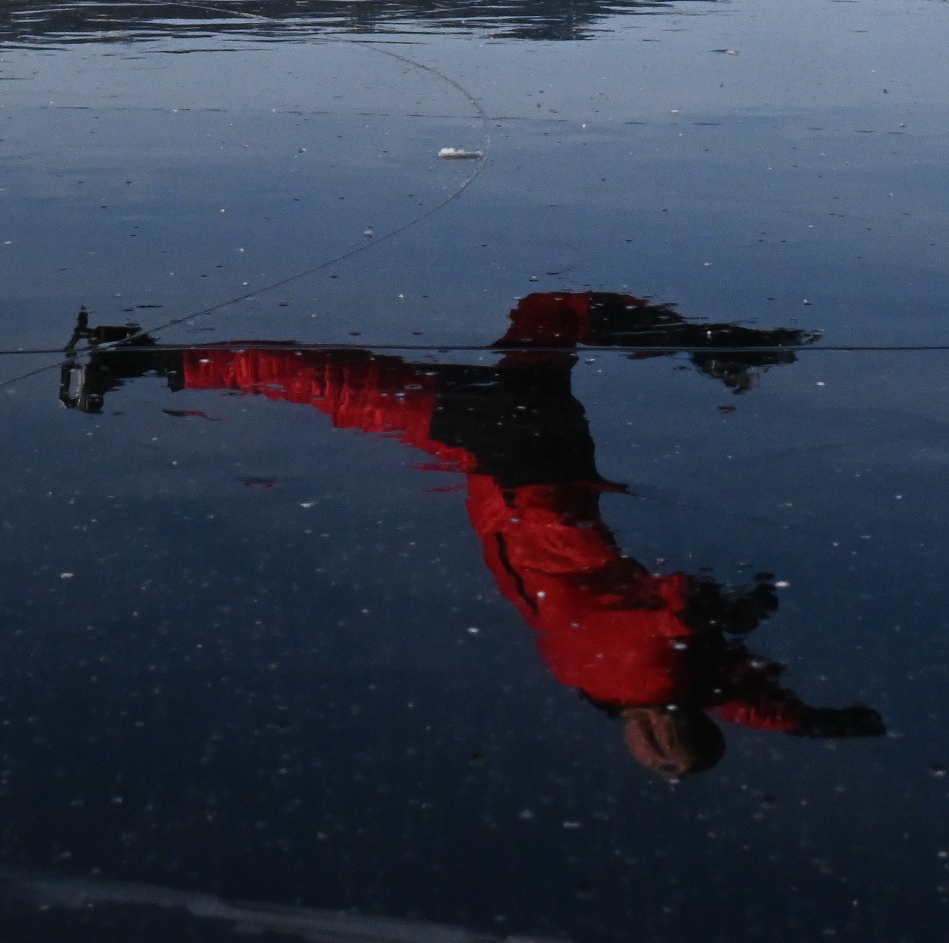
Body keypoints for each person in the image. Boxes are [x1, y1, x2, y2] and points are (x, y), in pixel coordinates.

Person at [60, 291, 884, 776]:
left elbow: (723, 686)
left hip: (541, 466)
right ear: (654, 736)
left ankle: (709, 343)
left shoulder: (672, 684)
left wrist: (807, 719)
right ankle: (140, 363)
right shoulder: (621, 673)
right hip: (517, 467)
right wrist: (704, 613)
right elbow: (661, 617)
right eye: (654, 757)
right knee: (330, 384)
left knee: (546, 319)